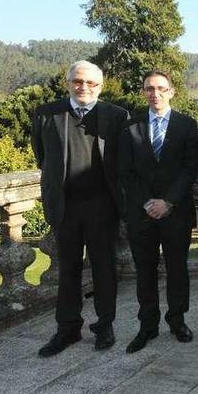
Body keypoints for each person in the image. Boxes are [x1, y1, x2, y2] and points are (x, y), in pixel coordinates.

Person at [31, 60, 128, 357]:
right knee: (68, 269)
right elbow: (41, 156)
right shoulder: (47, 114)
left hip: (103, 206)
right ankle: (68, 328)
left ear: (101, 86)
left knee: (105, 268)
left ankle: (105, 324)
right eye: (78, 81)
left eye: (91, 83)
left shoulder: (117, 116)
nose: (84, 87)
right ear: (68, 82)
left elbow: (123, 163)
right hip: (65, 207)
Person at [118, 71, 198, 353]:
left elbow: (191, 169)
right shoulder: (130, 126)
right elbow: (125, 171)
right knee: (145, 271)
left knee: (178, 269)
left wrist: (168, 202)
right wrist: (147, 203)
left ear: (171, 91)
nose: (155, 94)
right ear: (143, 92)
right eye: (149, 89)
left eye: (161, 88)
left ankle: (177, 322)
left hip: (175, 212)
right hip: (142, 214)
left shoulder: (187, 125)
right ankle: (147, 326)